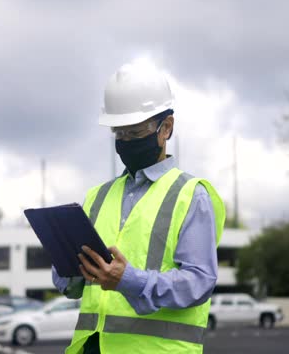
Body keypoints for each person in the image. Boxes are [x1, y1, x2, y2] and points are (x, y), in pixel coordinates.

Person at [52, 62, 225, 353]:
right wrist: (70, 269)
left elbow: (199, 282)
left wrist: (128, 280)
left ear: (166, 127)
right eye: (119, 134)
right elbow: (71, 285)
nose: (126, 142)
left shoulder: (191, 195)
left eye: (134, 133)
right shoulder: (97, 197)